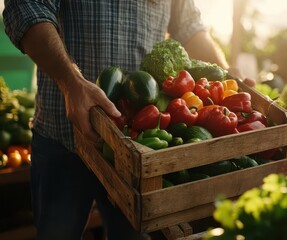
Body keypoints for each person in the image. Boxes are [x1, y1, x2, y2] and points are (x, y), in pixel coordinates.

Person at [2, 0, 232, 239]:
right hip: (62, 137)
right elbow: (26, 7)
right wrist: (71, 83)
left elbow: (190, 26)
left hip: (136, 147)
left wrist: (227, 76)